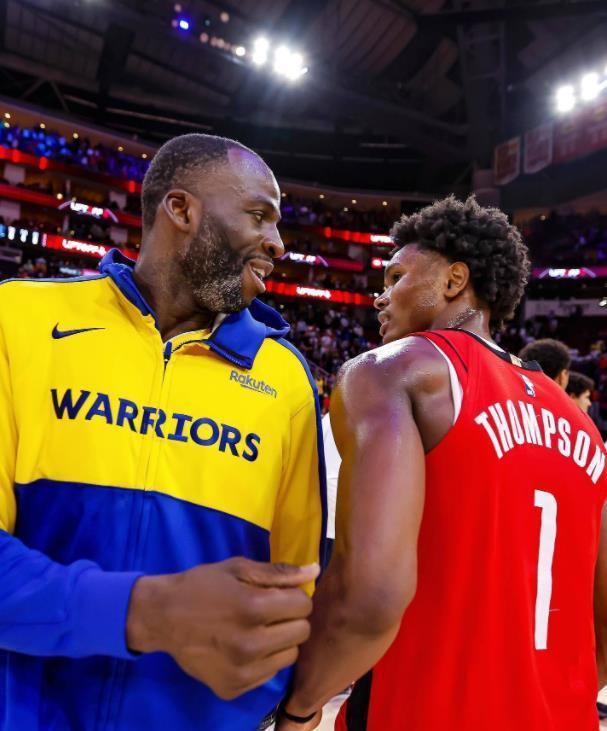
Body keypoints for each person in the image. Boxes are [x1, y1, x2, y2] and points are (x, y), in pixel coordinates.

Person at [0, 133, 326, 731]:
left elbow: (293, 593)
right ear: (181, 209)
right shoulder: (18, 319)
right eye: (259, 216)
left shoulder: (286, 380)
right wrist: (145, 612)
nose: (279, 243)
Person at [276, 195, 607, 731]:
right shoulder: (584, 427)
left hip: (424, 710)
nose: (380, 297)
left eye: (395, 277)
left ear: (454, 280)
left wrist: (301, 705)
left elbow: (371, 593)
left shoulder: (396, 372)